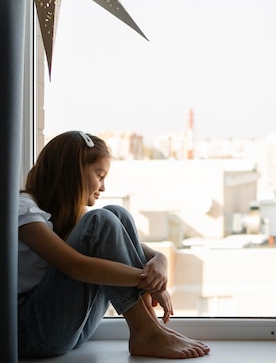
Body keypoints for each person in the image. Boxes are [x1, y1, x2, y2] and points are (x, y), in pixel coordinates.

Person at [17, 130, 210, 359]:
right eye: (99, 175)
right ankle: (146, 333)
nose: (103, 187)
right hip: (32, 333)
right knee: (101, 220)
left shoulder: (65, 215)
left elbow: (133, 249)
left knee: (116, 214)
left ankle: (152, 328)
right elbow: (75, 266)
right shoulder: (24, 210)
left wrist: (160, 259)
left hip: (69, 330)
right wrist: (149, 283)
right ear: (73, 172)